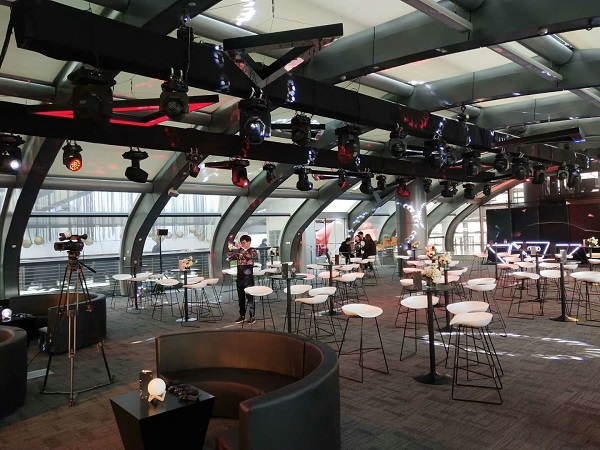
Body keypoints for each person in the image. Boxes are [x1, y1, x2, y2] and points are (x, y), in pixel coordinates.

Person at [228, 235, 259, 324]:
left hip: (248, 277)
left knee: (250, 297)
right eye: (241, 243)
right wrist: (230, 249)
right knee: (241, 297)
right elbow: (230, 258)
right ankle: (242, 315)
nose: (242, 245)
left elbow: (249, 256)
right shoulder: (240, 252)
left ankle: (252, 316)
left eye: (244, 243)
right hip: (240, 276)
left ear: (249, 242)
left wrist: (240, 248)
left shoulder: (252, 250)